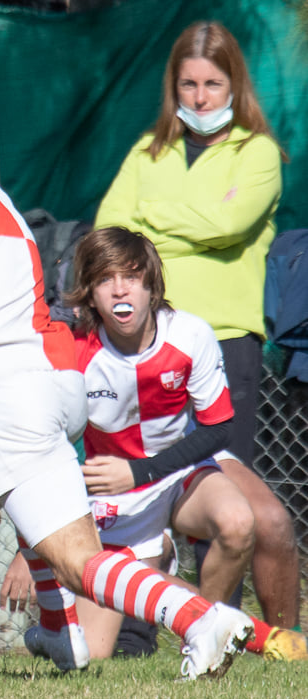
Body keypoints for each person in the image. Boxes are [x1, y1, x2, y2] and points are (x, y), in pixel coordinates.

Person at [0, 92, 254, 680]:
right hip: (55, 378)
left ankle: (199, 617)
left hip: (9, 395)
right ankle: (61, 633)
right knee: (12, 511)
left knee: (78, 561)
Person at [95, 20, 299, 630]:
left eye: (213, 83)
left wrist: (151, 222)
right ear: (173, 87)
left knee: (230, 502)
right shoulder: (146, 152)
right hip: (147, 346)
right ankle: (137, 630)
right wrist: (181, 228)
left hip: (227, 344)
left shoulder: (259, 153)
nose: (201, 97)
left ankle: (227, 628)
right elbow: (111, 230)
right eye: (189, 84)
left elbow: (229, 224)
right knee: (139, 493)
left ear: (235, 84)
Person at [26, 226, 305, 661]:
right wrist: (33, 546)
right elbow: (44, 443)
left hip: (173, 471)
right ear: (88, 294)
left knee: (240, 521)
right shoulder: (73, 352)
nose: (121, 290)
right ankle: (166, 562)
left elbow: (217, 430)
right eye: (105, 279)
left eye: (133, 277)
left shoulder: (190, 336)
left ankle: (202, 642)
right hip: (111, 499)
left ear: (152, 287)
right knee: (89, 655)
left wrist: (140, 472)